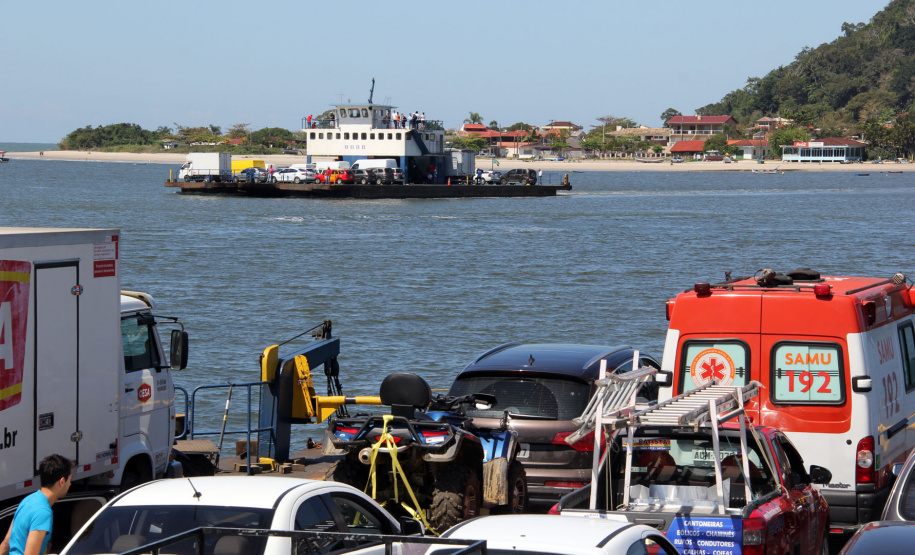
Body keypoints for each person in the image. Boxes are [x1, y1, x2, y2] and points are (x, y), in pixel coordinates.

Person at [1, 454, 73, 555]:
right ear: (61, 481)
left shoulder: (28, 500)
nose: (70, 484)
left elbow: (5, 544)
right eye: (70, 480)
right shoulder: (43, 512)